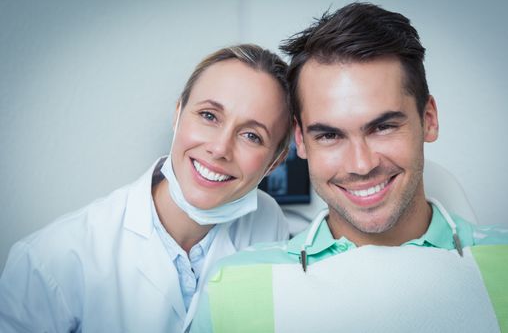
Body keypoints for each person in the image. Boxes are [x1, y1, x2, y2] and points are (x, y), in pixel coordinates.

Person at [189, 3, 508, 332]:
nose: (361, 165)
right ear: (301, 141)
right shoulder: (232, 287)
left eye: (383, 127)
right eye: (330, 135)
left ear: (429, 119)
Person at [0, 44, 293, 332]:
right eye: (209, 116)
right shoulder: (51, 259)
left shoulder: (268, 223)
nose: (219, 148)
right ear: (178, 114)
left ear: (275, 161)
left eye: (252, 136)